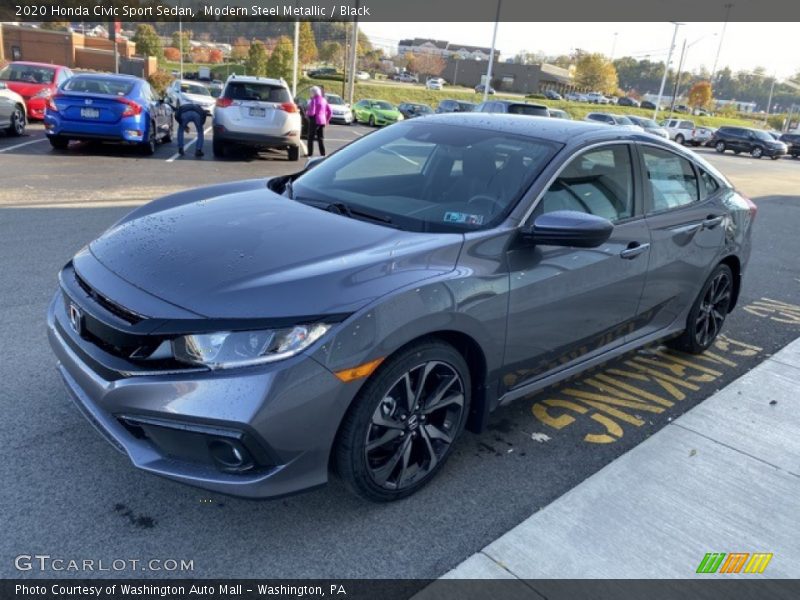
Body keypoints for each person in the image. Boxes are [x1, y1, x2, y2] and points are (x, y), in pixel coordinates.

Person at [305, 86, 332, 157]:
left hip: (314, 120)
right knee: (320, 138)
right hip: (322, 121)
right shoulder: (324, 100)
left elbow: (312, 112)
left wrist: (307, 113)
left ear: (313, 93)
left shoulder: (313, 100)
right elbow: (330, 111)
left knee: (310, 137)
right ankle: (322, 153)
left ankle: (310, 153)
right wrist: (327, 120)